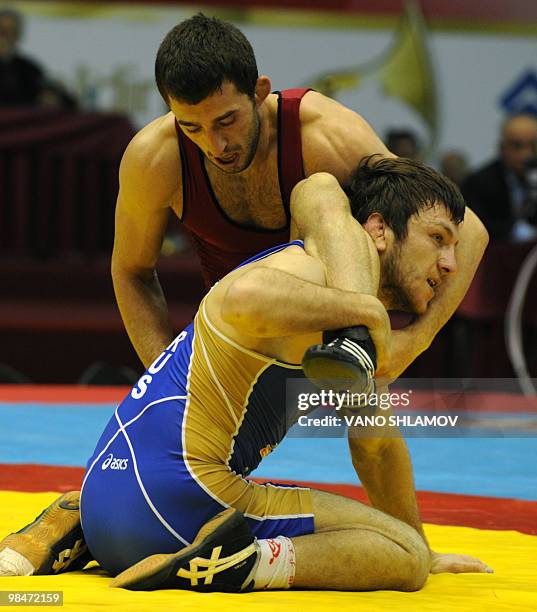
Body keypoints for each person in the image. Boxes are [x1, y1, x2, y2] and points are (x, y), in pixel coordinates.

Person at [0, 159, 491, 591]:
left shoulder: (347, 332)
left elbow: (376, 444)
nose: (449, 264)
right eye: (437, 240)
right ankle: (243, 563)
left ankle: (71, 524)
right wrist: (365, 308)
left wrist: (403, 330)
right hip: (181, 501)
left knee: (412, 550)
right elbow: (237, 299)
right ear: (379, 230)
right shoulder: (317, 280)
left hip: (107, 499)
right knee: (399, 555)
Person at [111, 13, 488, 386]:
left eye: (227, 121)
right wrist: (166, 380)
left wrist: (414, 341)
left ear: (259, 92)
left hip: (332, 340)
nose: (215, 145)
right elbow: (132, 272)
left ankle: (353, 341)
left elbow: (469, 228)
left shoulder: (325, 134)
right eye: (192, 127)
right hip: (243, 337)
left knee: (319, 192)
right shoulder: (155, 158)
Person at [461, 113, 537, 242]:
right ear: (502, 148)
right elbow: (474, 228)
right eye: (517, 146)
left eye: (533, 146)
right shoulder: (477, 183)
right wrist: (512, 232)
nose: (526, 154)